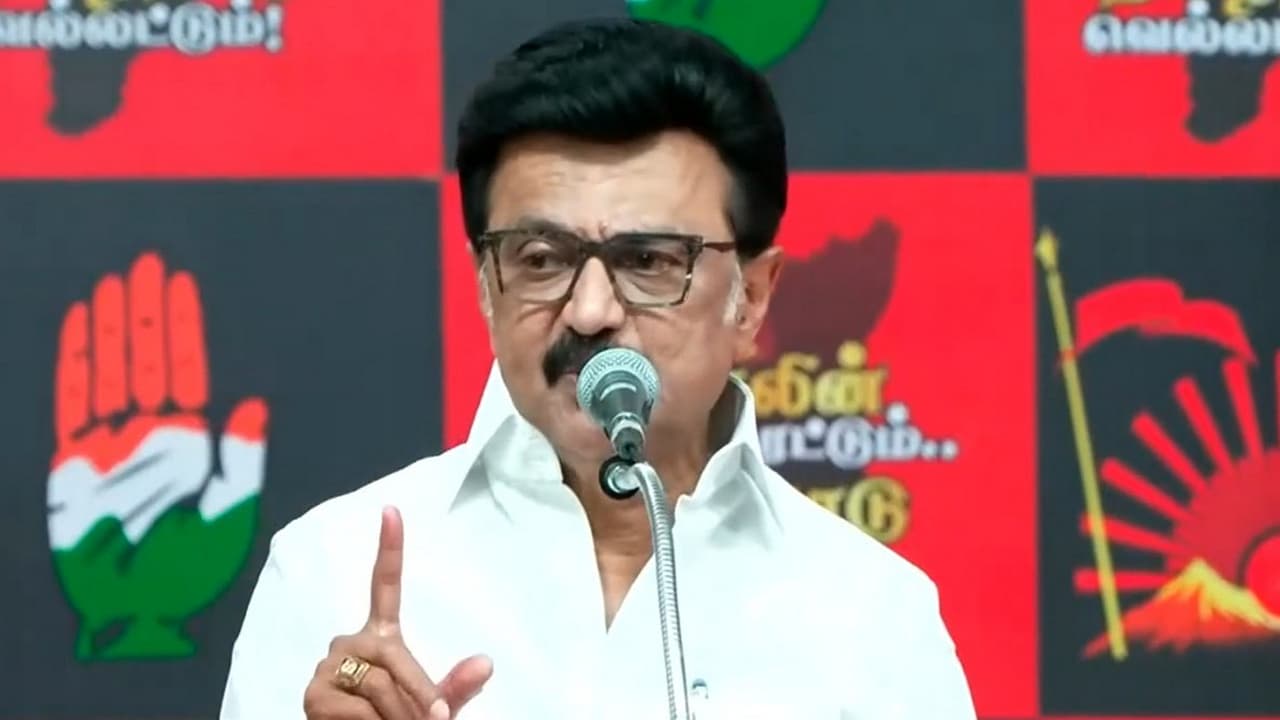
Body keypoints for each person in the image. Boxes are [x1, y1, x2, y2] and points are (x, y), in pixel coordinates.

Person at [219, 17, 977, 720]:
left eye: (648, 261)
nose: (589, 312)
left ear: (750, 300)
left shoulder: (871, 616)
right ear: (486, 287)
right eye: (541, 258)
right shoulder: (332, 572)